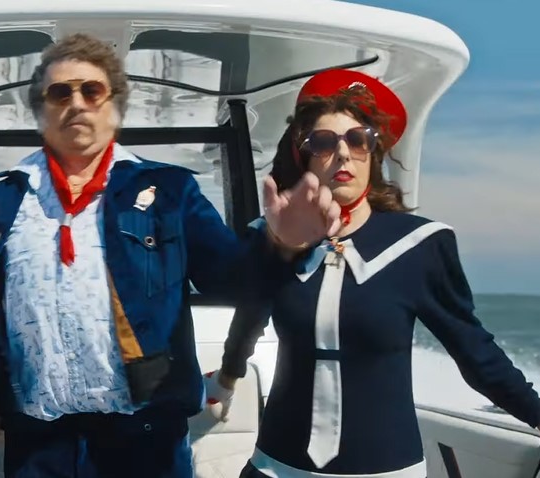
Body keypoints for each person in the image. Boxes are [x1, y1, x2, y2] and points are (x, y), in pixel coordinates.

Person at [0, 33, 343, 478]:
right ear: (41, 110)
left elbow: (231, 279)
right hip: (38, 444)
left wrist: (283, 244)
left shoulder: (169, 190)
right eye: (60, 92)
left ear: (114, 106)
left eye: (91, 90)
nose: (77, 103)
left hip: (144, 441)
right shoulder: (5, 198)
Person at [207, 69, 540, 478]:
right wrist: (227, 378)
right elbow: (248, 315)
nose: (342, 153)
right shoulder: (269, 236)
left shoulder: (421, 244)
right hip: (276, 467)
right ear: (302, 155)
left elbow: (476, 354)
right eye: (323, 142)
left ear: (373, 153)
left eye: (357, 139)